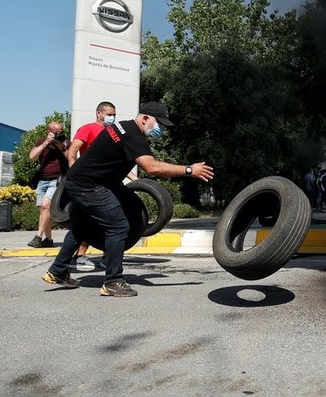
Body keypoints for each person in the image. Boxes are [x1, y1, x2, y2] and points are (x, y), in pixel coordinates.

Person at [41, 102, 214, 297]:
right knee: (118, 227)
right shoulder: (132, 135)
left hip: (81, 181)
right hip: (90, 186)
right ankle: (113, 281)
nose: (161, 129)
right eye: (159, 124)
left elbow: (115, 159)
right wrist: (189, 170)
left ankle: (57, 271)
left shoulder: (123, 127)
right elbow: (152, 167)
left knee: (81, 227)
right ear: (145, 118)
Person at [65, 101, 119, 271]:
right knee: (89, 220)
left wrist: (133, 178)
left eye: (114, 114)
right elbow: (73, 150)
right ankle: (79, 256)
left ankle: (106, 257)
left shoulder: (112, 133)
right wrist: (74, 172)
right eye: (109, 114)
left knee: (110, 221)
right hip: (87, 183)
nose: (112, 117)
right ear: (99, 113)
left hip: (105, 182)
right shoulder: (88, 128)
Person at [27, 121, 70, 248]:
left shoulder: (66, 142)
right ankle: (49, 239)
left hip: (57, 180)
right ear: (49, 132)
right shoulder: (41, 142)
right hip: (43, 180)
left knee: (46, 206)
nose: (59, 134)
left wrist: (60, 145)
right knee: (43, 210)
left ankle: (38, 236)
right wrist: (46, 142)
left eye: (61, 131)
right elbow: (32, 156)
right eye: (56, 132)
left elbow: (70, 157)